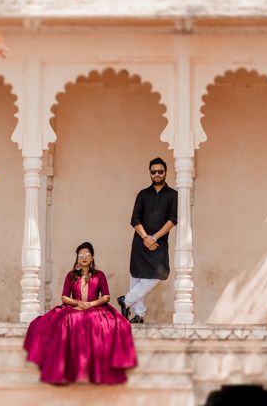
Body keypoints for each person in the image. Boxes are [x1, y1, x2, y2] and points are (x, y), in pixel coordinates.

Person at [23, 242, 137, 384]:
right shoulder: (71, 275)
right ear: (77, 258)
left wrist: (90, 304)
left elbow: (106, 296)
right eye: (81, 255)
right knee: (61, 321)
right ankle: (65, 368)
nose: (84, 257)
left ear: (92, 257)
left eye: (87, 255)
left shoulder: (99, 275)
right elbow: (64, 297)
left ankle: (94, 370)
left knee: (106, 323)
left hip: (95, 306)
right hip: (75, 306)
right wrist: (78, 303)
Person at [117, 157, 177, 324]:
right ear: (150, 173)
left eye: (160, 171)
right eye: (153, 172)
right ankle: (139, 314)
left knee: (158, 274)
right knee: (136, 276)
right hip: (140, 242)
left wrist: (154, 238)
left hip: (159, 243)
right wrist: (145, 237)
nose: (157, 174)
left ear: (165, 172)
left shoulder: (173, 195)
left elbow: (173, 219)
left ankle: (126, 300)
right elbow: (135, 219)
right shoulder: (143, 194)